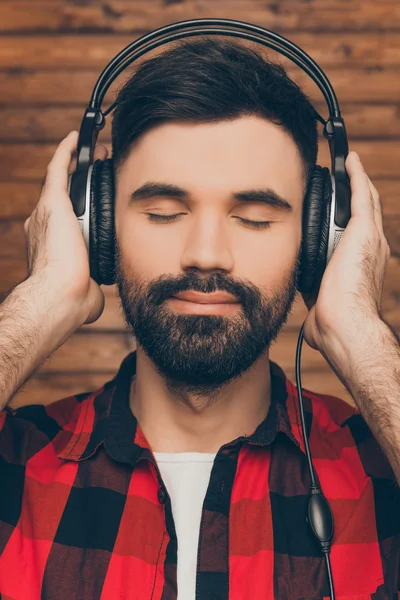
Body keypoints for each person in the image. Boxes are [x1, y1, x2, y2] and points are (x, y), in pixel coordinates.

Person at [0, 37, 399, 600]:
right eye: (164, 212)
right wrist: (43, 298)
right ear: (99, 226)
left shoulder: (381, 467)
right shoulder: (15, 464)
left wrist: (359, 332)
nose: (206, 253)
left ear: (319, 241)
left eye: (255, 218)